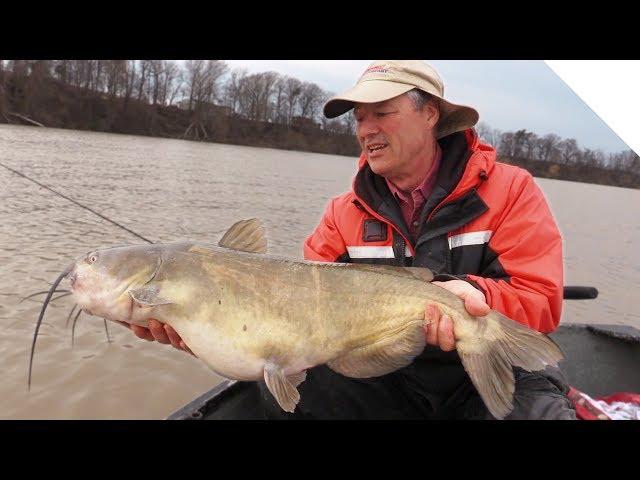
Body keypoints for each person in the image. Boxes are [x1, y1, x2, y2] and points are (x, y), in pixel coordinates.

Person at [128, 60, 576, 419]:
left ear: (430, 113)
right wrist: (206, 329)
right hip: (386, 375)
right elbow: (296, 319)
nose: (366, 129)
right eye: (360, 118)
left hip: (489, 367)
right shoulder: (341, 214)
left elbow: (540, 301)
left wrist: (474, 295)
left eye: (383, 112)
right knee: (284, 399)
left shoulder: (512, 189)